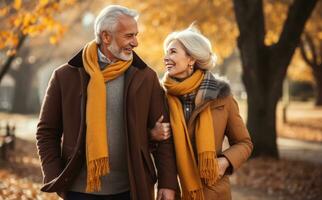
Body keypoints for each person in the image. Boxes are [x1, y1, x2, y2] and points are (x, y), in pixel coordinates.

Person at [36, 5, 177, 200]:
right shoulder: (65, 76)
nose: (135, 42)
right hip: (79, 191)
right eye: (128, 36)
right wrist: (55, 176)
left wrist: (167, 183)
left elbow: (164, 135)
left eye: (136, 35)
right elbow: (47, 132)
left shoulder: (146, 77)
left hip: (131, 189)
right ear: (106, 36)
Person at [157, 26, 253, 200]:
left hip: (213, 192)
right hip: (174, 191)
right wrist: (152, 134)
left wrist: (225, 162)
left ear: (191, 59)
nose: (166, 58)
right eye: (166, 52)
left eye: (172, 52)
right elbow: (151, 145)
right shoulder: (159, 97)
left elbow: (244, 143)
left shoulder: (222, 97)